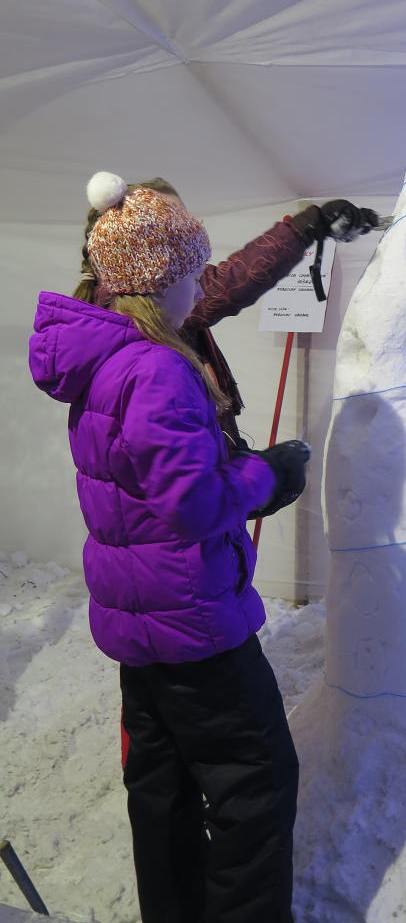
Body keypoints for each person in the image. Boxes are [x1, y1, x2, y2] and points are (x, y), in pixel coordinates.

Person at [29, 174, 377, 923]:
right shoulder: (156, 367)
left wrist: (300, 230)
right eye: (191, 273)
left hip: (138, 616)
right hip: (192, 619)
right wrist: (268, 474)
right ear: (158, 279)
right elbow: (191, 503)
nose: (202, 287)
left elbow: (222, 285)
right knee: (256, 782)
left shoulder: (103, 341)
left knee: (162, 783)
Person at [74, 172, 380, 453]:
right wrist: (256, 478)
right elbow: (228, 283)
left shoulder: (147, 302)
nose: (179, 226)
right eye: (166, 218)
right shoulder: (148, 344)